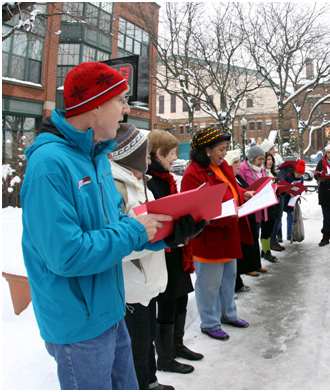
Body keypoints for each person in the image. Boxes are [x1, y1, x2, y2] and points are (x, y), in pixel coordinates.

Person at [20, 62, 173, 390]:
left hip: (111, 311)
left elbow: (115, 224)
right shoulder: (49, 166)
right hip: (78, 324)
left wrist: (166, 232)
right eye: (120, 100)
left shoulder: (98, 157)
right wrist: (135, 230)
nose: (126, 109)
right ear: (95, 105)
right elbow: (67, 254)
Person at [110, 124, 193, 389]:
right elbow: (117, 244)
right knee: (135, 345)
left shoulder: (139, 184)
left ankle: (150, 381)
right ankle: (141, 384)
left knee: (146, 340)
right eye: (145, 155)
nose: (150, 160)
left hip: (147, 281)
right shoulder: (115, 187)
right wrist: (166, 238)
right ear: (130, 154)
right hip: (130, 285)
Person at [181, 127, 253, 341]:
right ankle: (210, 322)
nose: (224, 153)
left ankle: (228, 314)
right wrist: (229, 211)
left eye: (225, 149)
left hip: (228, 233)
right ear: (206, 150)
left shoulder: (221, 167)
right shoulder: (192, 174)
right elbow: (194, 210)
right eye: (221, 149)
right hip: (209, 237)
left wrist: (244, 194)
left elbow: (232, 189)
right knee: (209, 284)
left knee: (229, 279)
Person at [146, 130, 205, 376]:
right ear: (158, 154)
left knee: (181, 297)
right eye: (171, 154)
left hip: (178, 251)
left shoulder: (168, 179)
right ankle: (166, 357)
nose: (174, 158)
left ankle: (177, 345)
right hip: (165, 253)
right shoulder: (151, 182)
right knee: (169, 302)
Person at [224, 148, 266, 288]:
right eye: (235, 162)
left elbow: (242, 189)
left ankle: (253, 265)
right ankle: (239, 278)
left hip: (248, 211)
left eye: (239, 161)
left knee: (254, 238)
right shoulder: (234, 175)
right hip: (236, 217)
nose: (239, 164)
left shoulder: (236, 177)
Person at [238, 143, 277, 263]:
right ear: (251, 158)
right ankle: (251, 262)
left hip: (262, 206)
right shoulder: (242, 169)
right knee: (251, 235)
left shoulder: (262, 169)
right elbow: (241, 187)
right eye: (259, 159)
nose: (261, 162)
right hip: (250, 206)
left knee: (260, 232)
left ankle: (258, 259)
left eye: (262, 159)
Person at [282, 159, 306, 241]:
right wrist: (289, 192)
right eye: (298, 174)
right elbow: (282, 186)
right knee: (279, 217)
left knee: (291, 216)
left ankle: (290, 234)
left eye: (301, 175)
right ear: (294, 171)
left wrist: (298, 195)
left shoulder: (301, 178)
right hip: (284, 198)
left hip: (293, 199)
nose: (299, 176)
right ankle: (278, 235)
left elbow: (301, 188)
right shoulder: (288, 176)